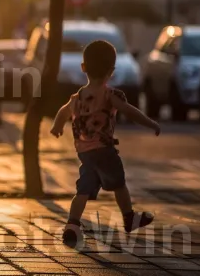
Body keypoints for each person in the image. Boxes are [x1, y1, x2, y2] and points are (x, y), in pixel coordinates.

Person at [50, 40, 161, 246]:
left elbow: (63, 111)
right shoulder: (110, 95)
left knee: (83, 191)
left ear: (83, 68)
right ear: (111, 71)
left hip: (85, 153)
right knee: (119, 184)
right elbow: (129, 111)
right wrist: (150, 123)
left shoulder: (78, 97)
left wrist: (57, 127)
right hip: (105, 151)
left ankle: (72, 226)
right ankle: (129, 218)